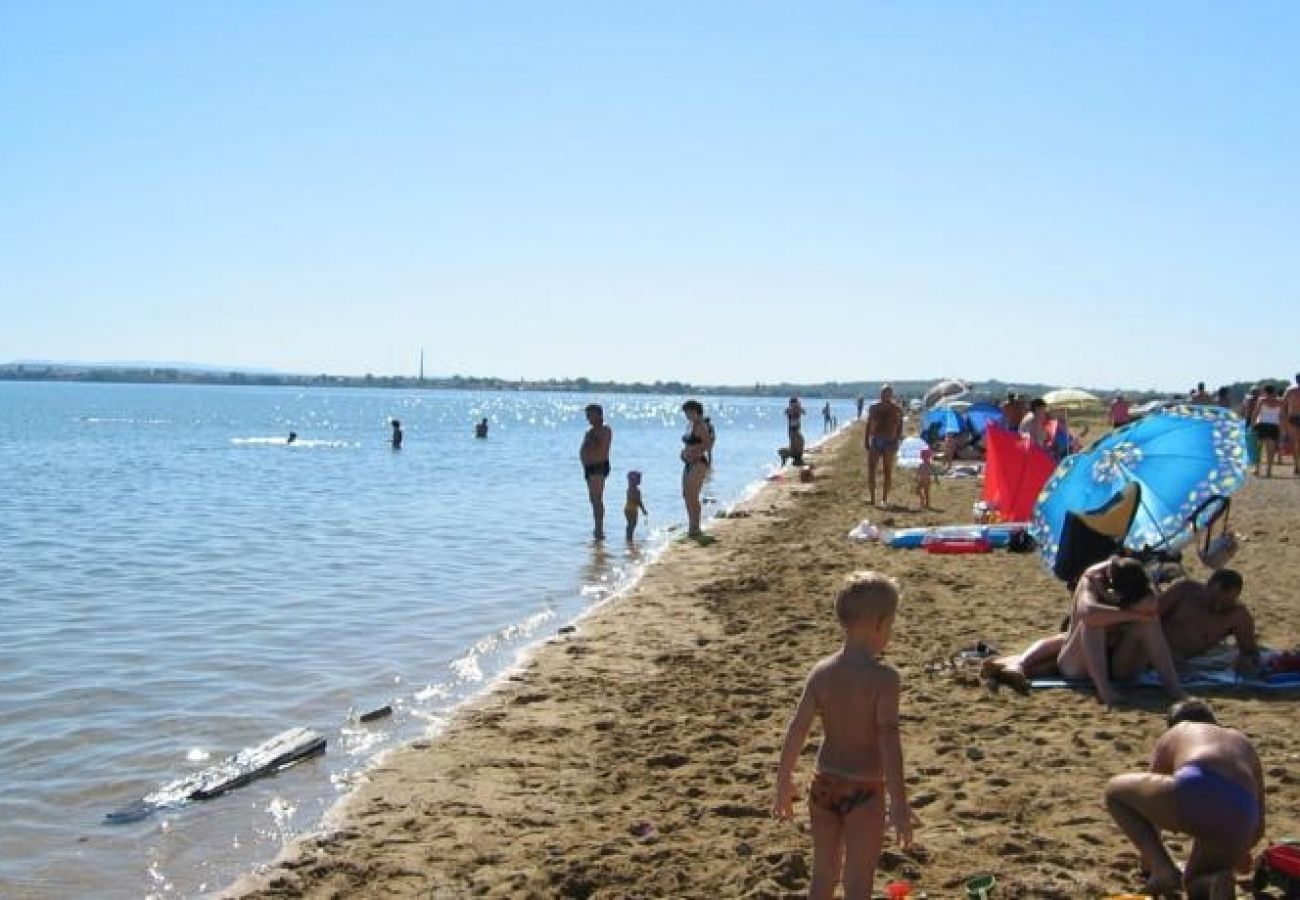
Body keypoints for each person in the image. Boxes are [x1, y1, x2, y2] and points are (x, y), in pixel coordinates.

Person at [773, 572, 915, 900]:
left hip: (822, 786)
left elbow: (798, 727)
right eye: (890, 625)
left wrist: (783, 780)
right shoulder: (884, 679)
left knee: (823, 876)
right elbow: (889, 743)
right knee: (857, 882)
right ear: (879, 625)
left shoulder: (821, 672)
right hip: (864, 791)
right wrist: (899, 802)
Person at [1104, 698, 1265, 899]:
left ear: (1173, 724)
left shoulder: (1178, 731)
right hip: (1242, 812)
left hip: (1197, 784)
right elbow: (1259, 826)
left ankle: (1163, 869)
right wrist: (1238, 852)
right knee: (1194, 882)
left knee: (1115, 793)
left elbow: (1151, 814)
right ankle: (1213, 879)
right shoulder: (1243, 742)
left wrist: (1150, 863)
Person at [1057, 557, 1188, 707]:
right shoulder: (1092, 579)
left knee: (1149, 623)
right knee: (1093, 623)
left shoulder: (1137, 578)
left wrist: (1124, 608)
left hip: (1118, 664)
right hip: (1078, 664)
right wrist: (1132, 614)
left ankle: (1172, 686)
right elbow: (1088, 613)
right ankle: (1105, 691)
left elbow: (1152, 604)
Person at [1152, 570, 1259, 673]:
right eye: (1214, 599)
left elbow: (1250, 651)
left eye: (1225, 604)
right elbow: (1146, 619)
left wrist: (1246, 661)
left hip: (1187, 662)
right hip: (1154, 649)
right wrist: (1162, 652)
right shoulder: (1184, 591)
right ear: (1207, 586)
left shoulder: (1237, 616)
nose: (1218, 607)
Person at [864, 384, 904, 507]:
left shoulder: (896, 409)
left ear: (891, 395)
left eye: (888, 394)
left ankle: (884, 499)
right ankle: (872, 498)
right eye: (883, 393)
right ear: (880, 394)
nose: (885, 396)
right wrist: (866, 440)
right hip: (876, 440)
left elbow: (900, 427)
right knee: (872, 470)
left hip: (889, 442)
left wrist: (897, 441)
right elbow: (869, 424)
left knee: (887, 471)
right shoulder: (874, 408)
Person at [680, 399, 714, 540]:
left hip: (698, 463)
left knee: (693, 495)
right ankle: (691, 526)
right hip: (688, 463)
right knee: (686, 495)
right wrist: (684, 453)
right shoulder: (691, 425)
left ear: (696, 411)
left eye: (689, 412)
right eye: (686, 413)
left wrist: (694, 452)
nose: (687, 415)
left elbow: (708, 444)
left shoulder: (701, 426)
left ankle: (696, 527)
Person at [579, 404, 613, 540]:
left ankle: (599, 529)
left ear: (598, 414)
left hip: (598, 466)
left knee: (597, 498)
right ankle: (597, 527)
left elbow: (599, 446)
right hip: (589, 467)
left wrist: (589, 439)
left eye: (590, 415)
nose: (588, 418)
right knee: (593, 499)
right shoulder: (590, 431)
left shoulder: (605, 429)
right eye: (587, 415)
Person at [1250, 383, 1283, 477]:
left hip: (1262, 425)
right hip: (1274, 426)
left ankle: (1257, 469)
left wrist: (1252, 425)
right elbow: (1282, 416)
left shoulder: (1262, 400)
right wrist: (1282, 429)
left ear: (1265, 391)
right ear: (1274, 391)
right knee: (1271, 450)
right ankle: (1269, 471)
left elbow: (1255, 413)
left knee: (1259, 449)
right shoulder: (1280, 401)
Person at [623, 470, 648, 542]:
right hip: (632, 510)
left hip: (628, 509)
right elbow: (638, 501)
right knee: (632, 524)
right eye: (638, 479)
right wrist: (643, 510)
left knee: (630, 524)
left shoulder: (630, 489)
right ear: (633, 480)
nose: (640, 480)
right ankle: (629, 538)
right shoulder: (635, 490)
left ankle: (629, 538)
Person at [1283, 373, 1300, 475]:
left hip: (1293, 417)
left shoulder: (1290, 391)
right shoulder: (1290, 391)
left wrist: (1284, 419)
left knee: (1295, 442)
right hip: (1293, 417)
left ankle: (1296, 466)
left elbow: (1283, 405)